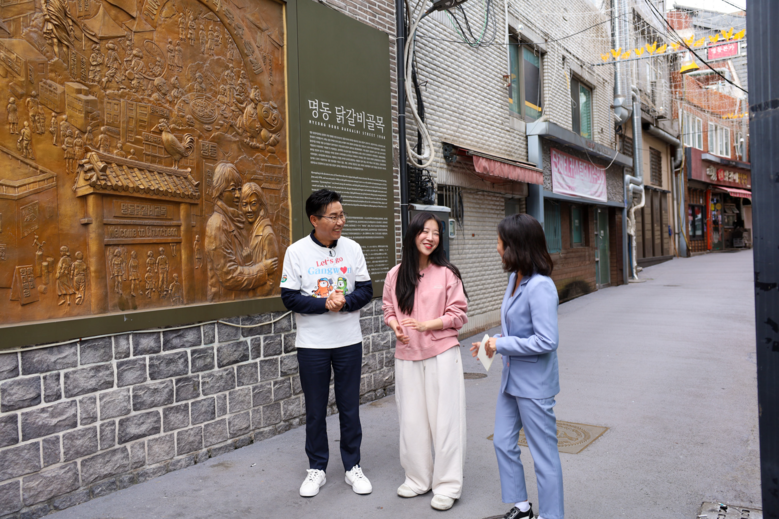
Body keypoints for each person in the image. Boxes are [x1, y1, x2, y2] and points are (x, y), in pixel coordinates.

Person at [279, 189, 374, 498]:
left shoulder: (353, 248)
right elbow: (289, 297)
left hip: (348, 341)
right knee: (316, 409)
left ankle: (352, 466)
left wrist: (344, 302)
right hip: (312, 344)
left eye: (341, 215)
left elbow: (366, 289)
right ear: (314, 219)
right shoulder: (296, 252)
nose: (340, 222)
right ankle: (317, 468)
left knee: (349, 407)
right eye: (333, 217)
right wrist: (324, 304)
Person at [470, 213, 563, 519]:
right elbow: (516, 330)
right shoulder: (514, 279)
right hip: (512, 379)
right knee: (502, 441)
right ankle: (522, 507)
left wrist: (502, 345)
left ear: (515, 246)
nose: (497, 247)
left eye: (500, 242)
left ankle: (551, 516)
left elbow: (547, 340)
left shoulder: (541, 286)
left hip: (535, 384)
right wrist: (491, 342)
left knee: (544, 456)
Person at [382, 212, 468, 511]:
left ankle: (447, 485)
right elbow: (388, 309)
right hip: (406, 356)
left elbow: (459, 314)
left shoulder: (447, 274)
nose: (430, 238)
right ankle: (418, 478)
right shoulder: (395, 274)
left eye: (436, 233)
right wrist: (395, 326)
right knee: (411, 421)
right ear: (413, 234)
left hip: (442, 354)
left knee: (446, 421)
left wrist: (426, 325)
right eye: (425, 231)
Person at [240, 182, 279, 297]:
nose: (249, 210)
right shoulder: (250, 230)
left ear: (261, 205)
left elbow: (271, 281)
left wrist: (254, 295)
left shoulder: (267, 234)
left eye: (253, 204)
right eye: (244, 205)